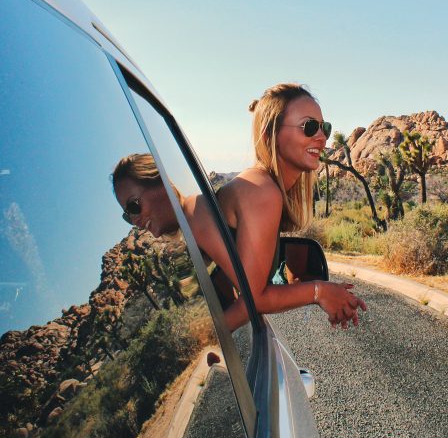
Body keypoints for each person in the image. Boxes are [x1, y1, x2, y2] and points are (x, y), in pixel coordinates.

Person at [112, 83, 366, 330]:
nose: (321, 137)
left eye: (325, 128)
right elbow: (254, 299)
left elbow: (244, 296)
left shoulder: (256, 189)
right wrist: (319, 291)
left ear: (162, 182)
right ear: (270, 134)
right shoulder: (261, 191)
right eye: (309, 127)